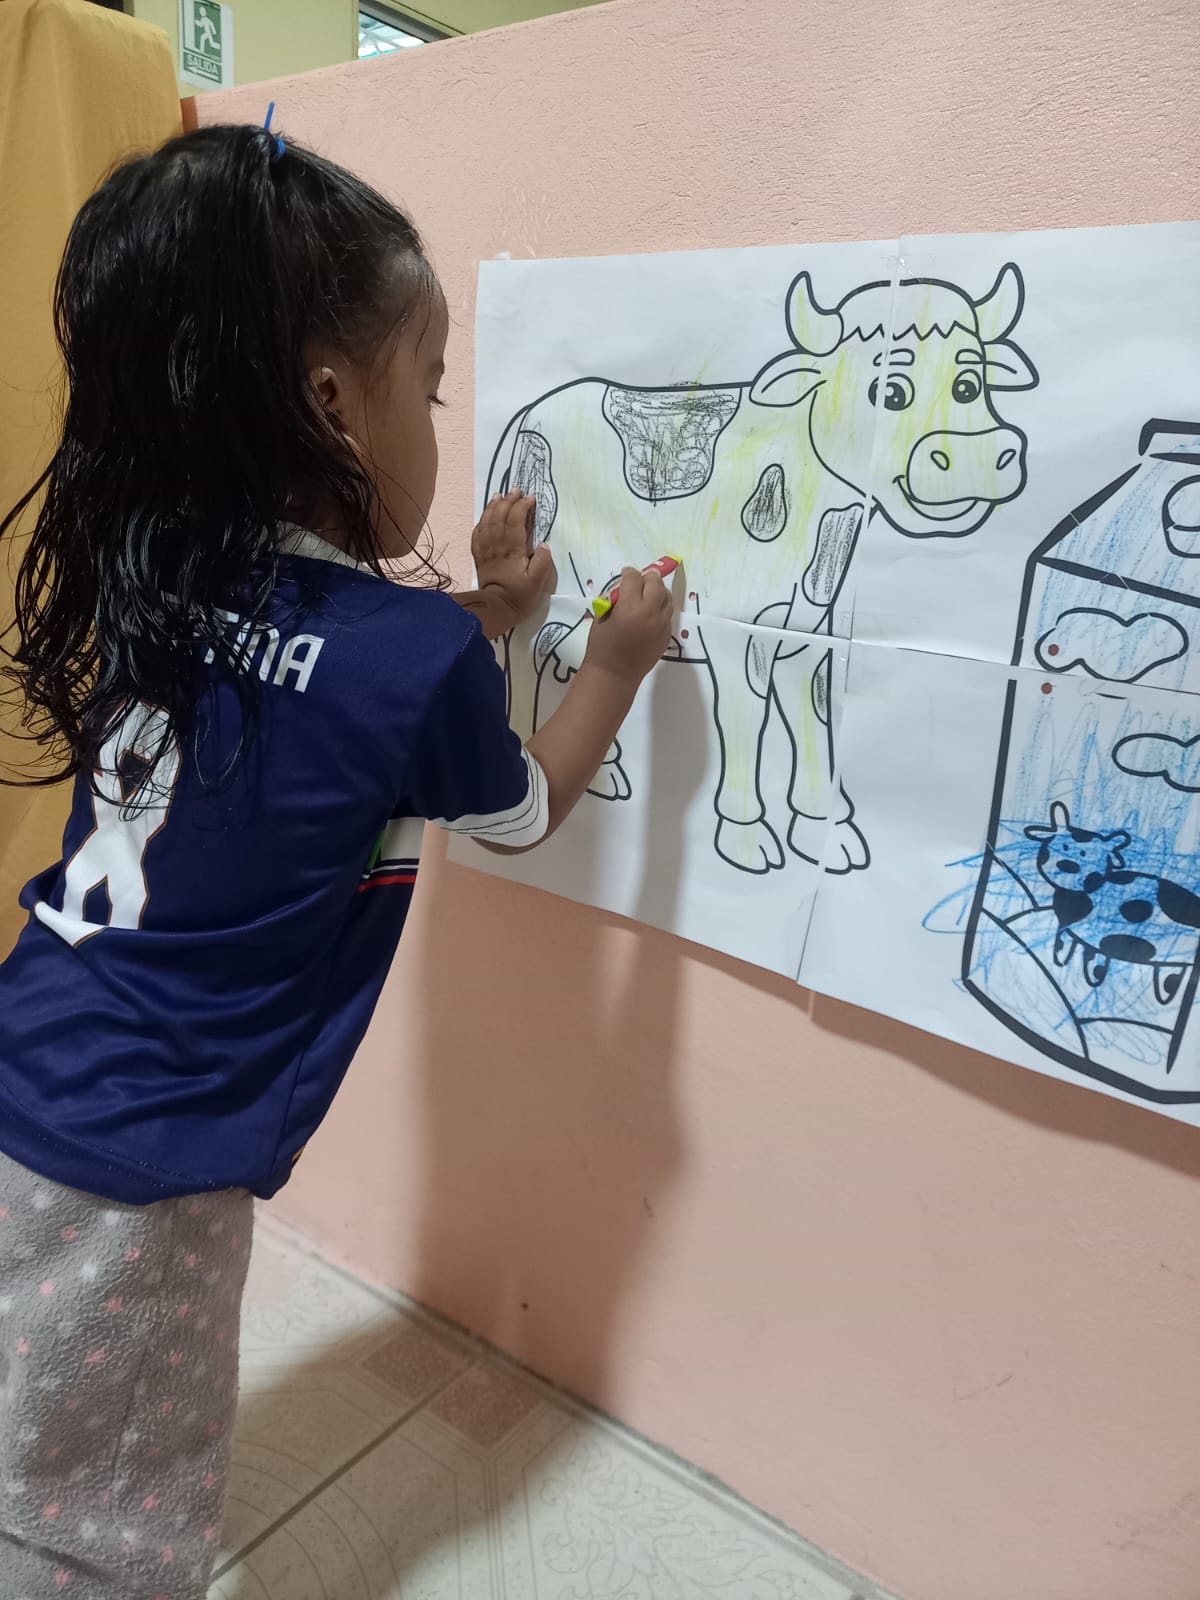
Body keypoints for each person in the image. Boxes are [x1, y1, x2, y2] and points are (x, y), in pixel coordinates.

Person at [0, 123, 672, 1597]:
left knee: (18, 1424)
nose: (437, 420)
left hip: (27, 1057)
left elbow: (312, 684)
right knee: (92, 1516)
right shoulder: (407, 657)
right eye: (428, 387)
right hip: (154, 1161)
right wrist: (615, 666)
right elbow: (516, 809)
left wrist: (487, 620)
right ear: (330, 402)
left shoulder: (154, 563)